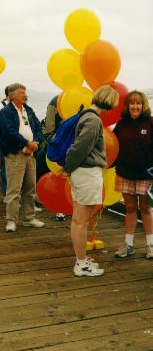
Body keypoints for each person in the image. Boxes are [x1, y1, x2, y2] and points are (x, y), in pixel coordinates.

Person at [64, 85, 119, 277]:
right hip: (86, 173)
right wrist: (69, 167)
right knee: (81, 221)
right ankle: (81, 264)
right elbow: (79, 148)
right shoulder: (94, 120)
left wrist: (70, 168)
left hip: (82, 173)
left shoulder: (86, 116)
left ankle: (81, 259)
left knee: (78, 220)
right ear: (109, 101)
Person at [0, 83, 45, 232]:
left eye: (25, 92)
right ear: (12, 95)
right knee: (14, 189)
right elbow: (8, 132)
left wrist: (34, 143)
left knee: (30, 187)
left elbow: (38, 127)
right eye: (21, 92)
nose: (25, 95)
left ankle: (29, 218)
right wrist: (26, 143)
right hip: (15, 153)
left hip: (30, 154)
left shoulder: (28, 109)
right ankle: (11, 220)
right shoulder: (6, 111)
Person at [113, 90, 153, 260]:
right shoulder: (121, 125)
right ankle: (128, 245)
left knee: (145, 208)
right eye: (132, 103)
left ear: (143, 105)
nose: (135, 106)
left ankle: (150, 245)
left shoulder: (150, 122)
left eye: (138, 103)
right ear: (127, 106)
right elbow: (112, 147)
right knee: (130, 208)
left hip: (146, 175)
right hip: (124, 173)